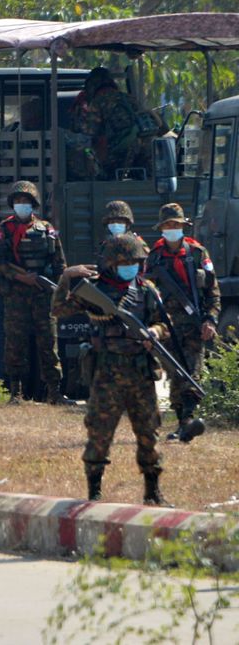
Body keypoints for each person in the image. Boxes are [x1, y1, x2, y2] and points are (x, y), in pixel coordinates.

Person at [51, 234, 169, 505]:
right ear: (111, 264)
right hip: (107, 374)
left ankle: (152, 492)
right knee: (100, 433)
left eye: (135, 262)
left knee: (149, 433)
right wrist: (66, 277)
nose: (131, 267)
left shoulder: (147, 290)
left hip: (140, 373)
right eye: (124, 262)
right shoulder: (94, 290)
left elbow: (165, 323)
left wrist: (155, 331)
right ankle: (94, 492)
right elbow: (58, 310)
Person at [0, 181, 68, 403]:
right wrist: (20, 277)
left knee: (48, 343)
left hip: (42, 296)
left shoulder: (47, 230)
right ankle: (16, 392)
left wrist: (58, 289)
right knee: (15, 343)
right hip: (16, 296)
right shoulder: (5, 229)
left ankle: (54, 391)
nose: (22, 205)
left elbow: (60, 264)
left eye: (26, 201)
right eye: (18, 201)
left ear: (33, 204)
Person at [144, 203, 218, 443]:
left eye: (176, 224)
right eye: (168, 225)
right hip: (165, 326)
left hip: (194, 324)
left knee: (192, 370)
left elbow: (212, 291)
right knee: (175, 372)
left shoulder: (198, 254)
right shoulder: (153, 258)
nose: (172, 228)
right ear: (162, 229)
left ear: (183, 227)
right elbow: (144, 293)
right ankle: (182, 422)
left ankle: (188, 419)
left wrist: (210, 319)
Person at [78, 67, 141, 179]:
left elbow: (89, 134)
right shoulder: (128, 98)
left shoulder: (98, 102)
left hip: (121, 151)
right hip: (142, 148)